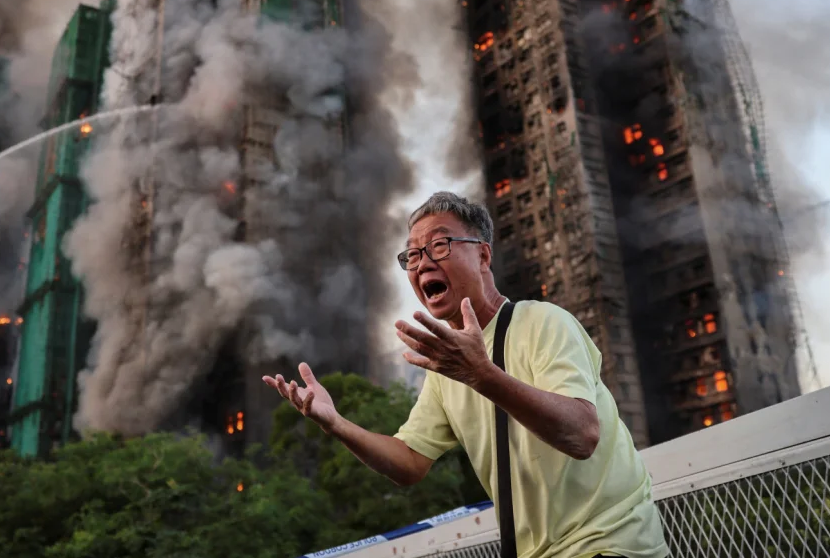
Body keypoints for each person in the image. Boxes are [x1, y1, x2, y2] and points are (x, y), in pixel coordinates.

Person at [263, 191, 669, 558]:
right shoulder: (447, 369)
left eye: (439, 244)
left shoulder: (544, 322)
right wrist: (336, 424)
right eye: (413, 255)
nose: (423, 262)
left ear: (484, 256)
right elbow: (409, 463)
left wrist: (481, 375)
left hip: (610, 545)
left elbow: (582, 435)